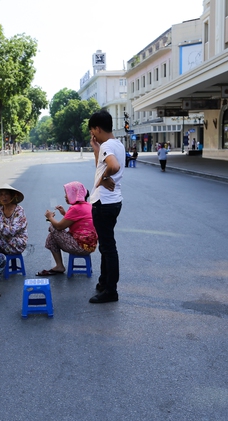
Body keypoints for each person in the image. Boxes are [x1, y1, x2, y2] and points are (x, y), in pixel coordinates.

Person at [88, 110, 124, 303]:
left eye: (92, 130)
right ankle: (104, 283)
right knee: (106, 245)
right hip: (114, 201)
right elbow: (101, 167)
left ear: (97, 128)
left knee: (108, 248)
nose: (92, 135)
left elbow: (113, 166)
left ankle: (111, 290)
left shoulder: (107, 147)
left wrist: (104, 179)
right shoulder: (116, 144)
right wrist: (96, 148)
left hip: (103, 203)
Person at [36, 181, 97, 276]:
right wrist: (65, 214)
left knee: (53, 227)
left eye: (67, 193)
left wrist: (50, 217)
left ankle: (59, 266)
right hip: (90, 246)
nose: (65, 196)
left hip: (80, 246)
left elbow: (59, 226)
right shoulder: (88, 205)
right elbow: (78, 223)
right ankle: (59, 266)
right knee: (52, 236)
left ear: (74, 194)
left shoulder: (75, 208)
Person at [0, 184, 28, 255]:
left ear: (11, 196)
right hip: (2, 241)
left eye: (6, 194)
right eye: (1, 194)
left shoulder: (19, 211)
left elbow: (12, 231)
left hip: (16, 243)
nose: (4, 197)